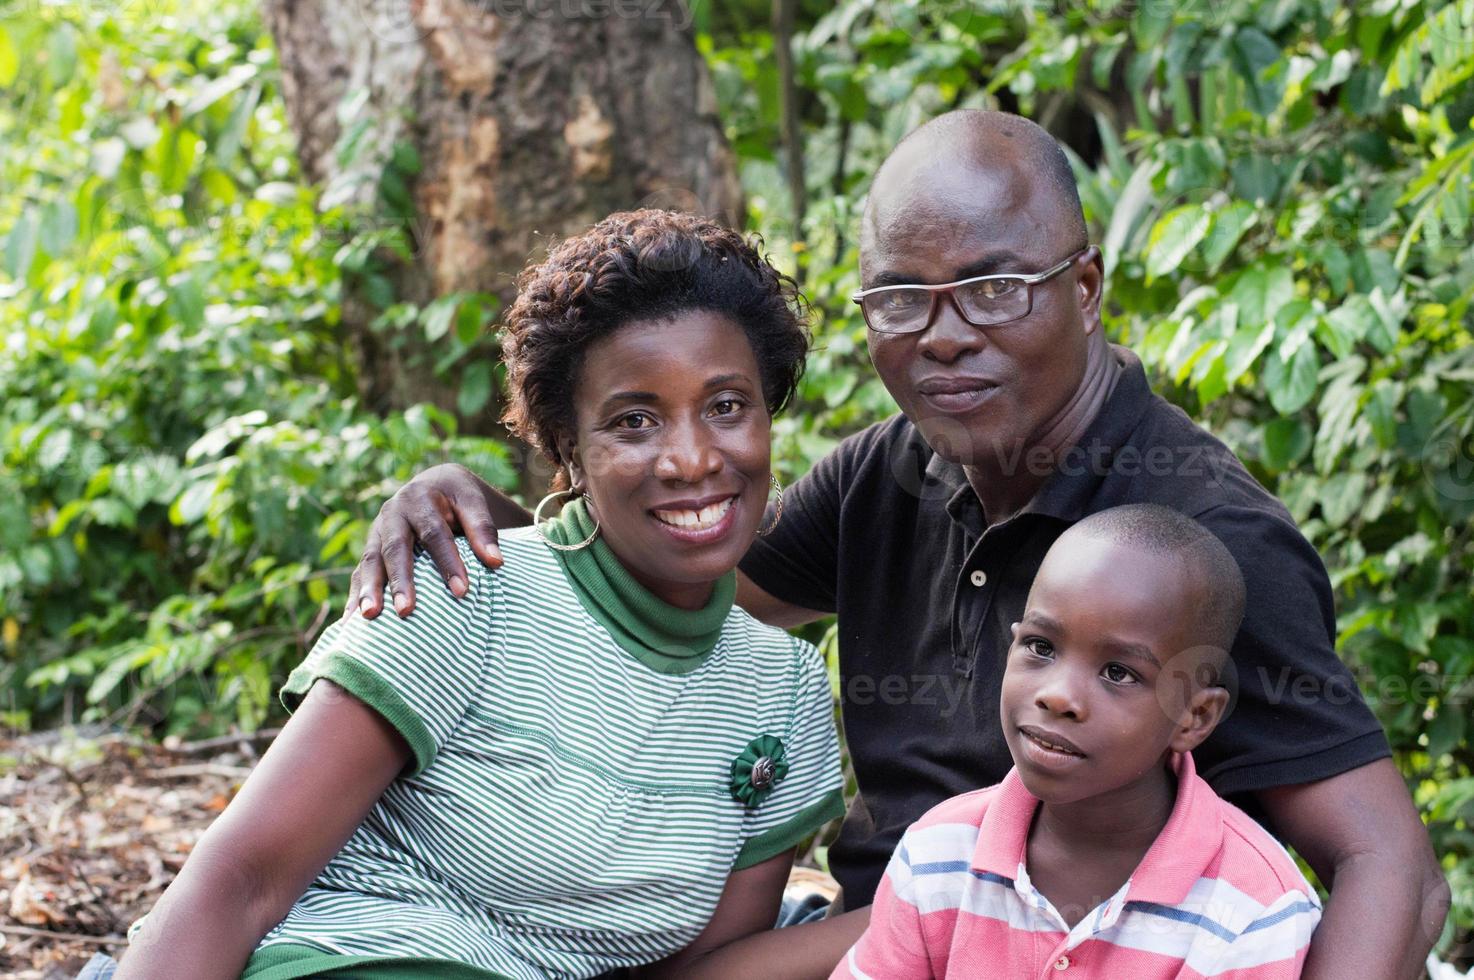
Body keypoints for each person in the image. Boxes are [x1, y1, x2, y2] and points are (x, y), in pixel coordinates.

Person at [345, 111, 1448, 977]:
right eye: (900, 297)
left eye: (993, 286)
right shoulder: (890, 468)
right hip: (884, 918)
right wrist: (477, 516)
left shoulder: (1202, 539)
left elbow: (1388, 858)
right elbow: (657, 594)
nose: (945, 331)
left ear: (1087, 289)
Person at [114, 210, 864, 980]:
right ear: (569, 448)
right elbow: (241, 881)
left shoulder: (786, 695)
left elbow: (699, 973)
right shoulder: (464, 589)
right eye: (634, 421)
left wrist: (930, 904)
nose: (693, 458)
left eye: (726, 405)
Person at [833, 504, 1321, 979]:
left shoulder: (1254, 910)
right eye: (1041, 648)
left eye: (1118, 672)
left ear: (1193, 716)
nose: (1059, 696)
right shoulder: (939, 853)